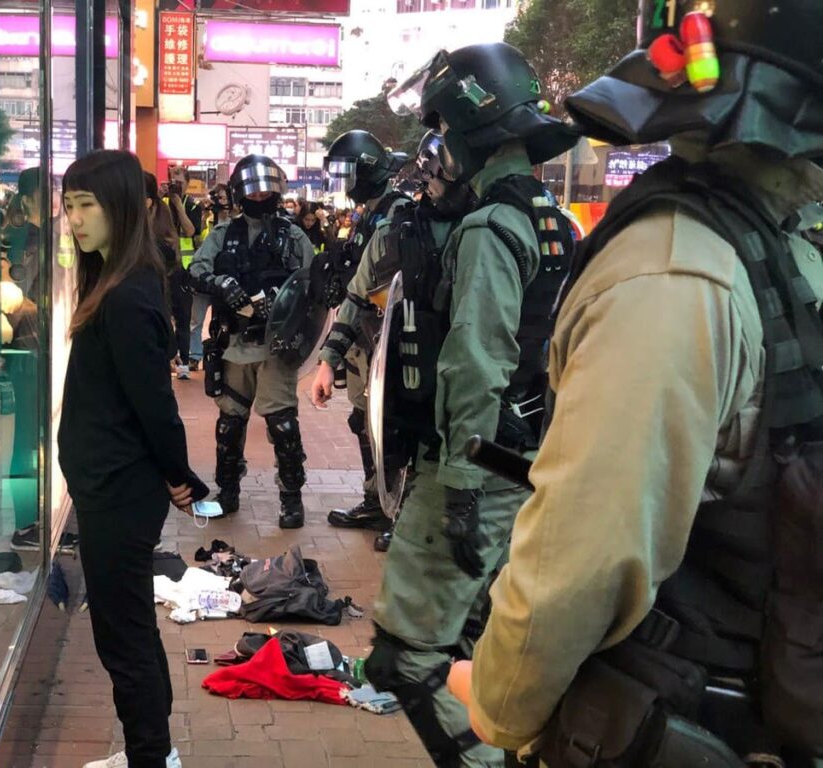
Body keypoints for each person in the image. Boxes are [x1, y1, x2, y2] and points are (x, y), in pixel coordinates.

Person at [446, 3, 823, 767]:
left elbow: (589, 546)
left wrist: (499, 699)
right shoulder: (785, 260)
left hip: (677, 711)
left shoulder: (673, 270)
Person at [360, 43, 578, 768]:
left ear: (464, 130)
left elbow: (474, 364)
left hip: (477, 467)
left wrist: (454, 485)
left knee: (407, 661)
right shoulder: (556, 222)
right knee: (487, 639)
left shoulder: (489, 229)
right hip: (529, 458)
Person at [56, 149, 208, 768]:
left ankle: (151, 756)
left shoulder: (127, 296)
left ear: (120, 207)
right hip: (107, 484)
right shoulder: (112, 282)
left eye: (86, 205)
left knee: (124, 637)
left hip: (121, 489)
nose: (75, 219)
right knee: (127, 630)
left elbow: (155, 404)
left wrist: (179, 475)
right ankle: (153, 752)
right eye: (68, 206)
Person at [311, 130, 472, 552]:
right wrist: (330, 357)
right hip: (387, 345)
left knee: (414, 434)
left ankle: (399, 509)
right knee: (381, 428)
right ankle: (385, 503)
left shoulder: (469, 229)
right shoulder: (392, 224)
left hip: (431, 350)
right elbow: (359, 291)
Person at [188, 154, 317, 529]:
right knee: (230, 422)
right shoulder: (222, 235)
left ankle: (291, 498)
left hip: (277, 346)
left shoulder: (293, 237)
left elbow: (311, 287)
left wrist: (288, 305)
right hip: (234, 343)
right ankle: (227, 492)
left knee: (283, 424)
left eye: (267, 189)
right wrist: (219, 284)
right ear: (241, 193)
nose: (261, 196)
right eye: (254, 189)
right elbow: (195, 271)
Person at [311, 129, 412, 538]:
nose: (345, 184)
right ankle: (377, 501)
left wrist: (327, 357)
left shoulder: (396, 216)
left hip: (388, 340)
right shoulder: (370, 214)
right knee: (364, 422)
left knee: (390, 426)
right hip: (364, 340)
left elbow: (370, 289)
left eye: (348, 173)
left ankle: (397, 510)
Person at [147, 171, 192, 379]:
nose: (175, 186)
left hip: (177, 271)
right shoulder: (156, 205)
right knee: (160, 315)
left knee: (182, 319)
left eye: (179, 182)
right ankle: (167, 358)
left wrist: (178, 204)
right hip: (157, 272)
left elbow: (189, 230)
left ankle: (182, 362)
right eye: (172, 182)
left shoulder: (190, 205)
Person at [189, 183, 233, 370]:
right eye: (217, 198)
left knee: (224, 320)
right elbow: (198, 241)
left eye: (223, 198)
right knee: (196, 320)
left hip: (226, 279)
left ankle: (221, 354)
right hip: (204, 278)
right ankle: (194, 355)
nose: (220, 202)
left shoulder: (236, 223)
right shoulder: (206, 218)